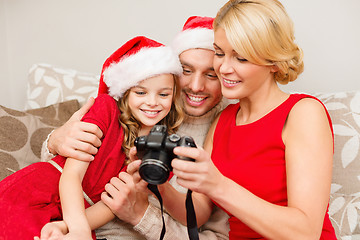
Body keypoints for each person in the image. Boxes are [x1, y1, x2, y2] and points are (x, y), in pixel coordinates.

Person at [128, 0, 338, 239]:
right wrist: (158, 182)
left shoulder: (302, 112)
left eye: (240, 58)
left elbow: (305, 231)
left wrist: (218, 185)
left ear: (273, 61)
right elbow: (199, 211)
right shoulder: (224, 119)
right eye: (219, 53)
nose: (223, 68)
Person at [40, 16, 230, 240]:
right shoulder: (135, 112)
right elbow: (70, 167)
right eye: (186, 71)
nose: (196, 86)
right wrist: (54, 141)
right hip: (71, 217)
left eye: (211, 75)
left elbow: (210, 232)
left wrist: (141, 215)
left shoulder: (227, 131)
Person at [0, 36, 184, 240]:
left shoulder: (160, 151)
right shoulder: (106, 109)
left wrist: (66, 228)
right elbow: (72, 176)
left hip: (77, 216)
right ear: (125, 93)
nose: (152, 102)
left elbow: (111, 205)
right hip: (41, 192)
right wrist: (78, 229)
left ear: (174, 95)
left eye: (164, 95)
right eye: (141, 92)